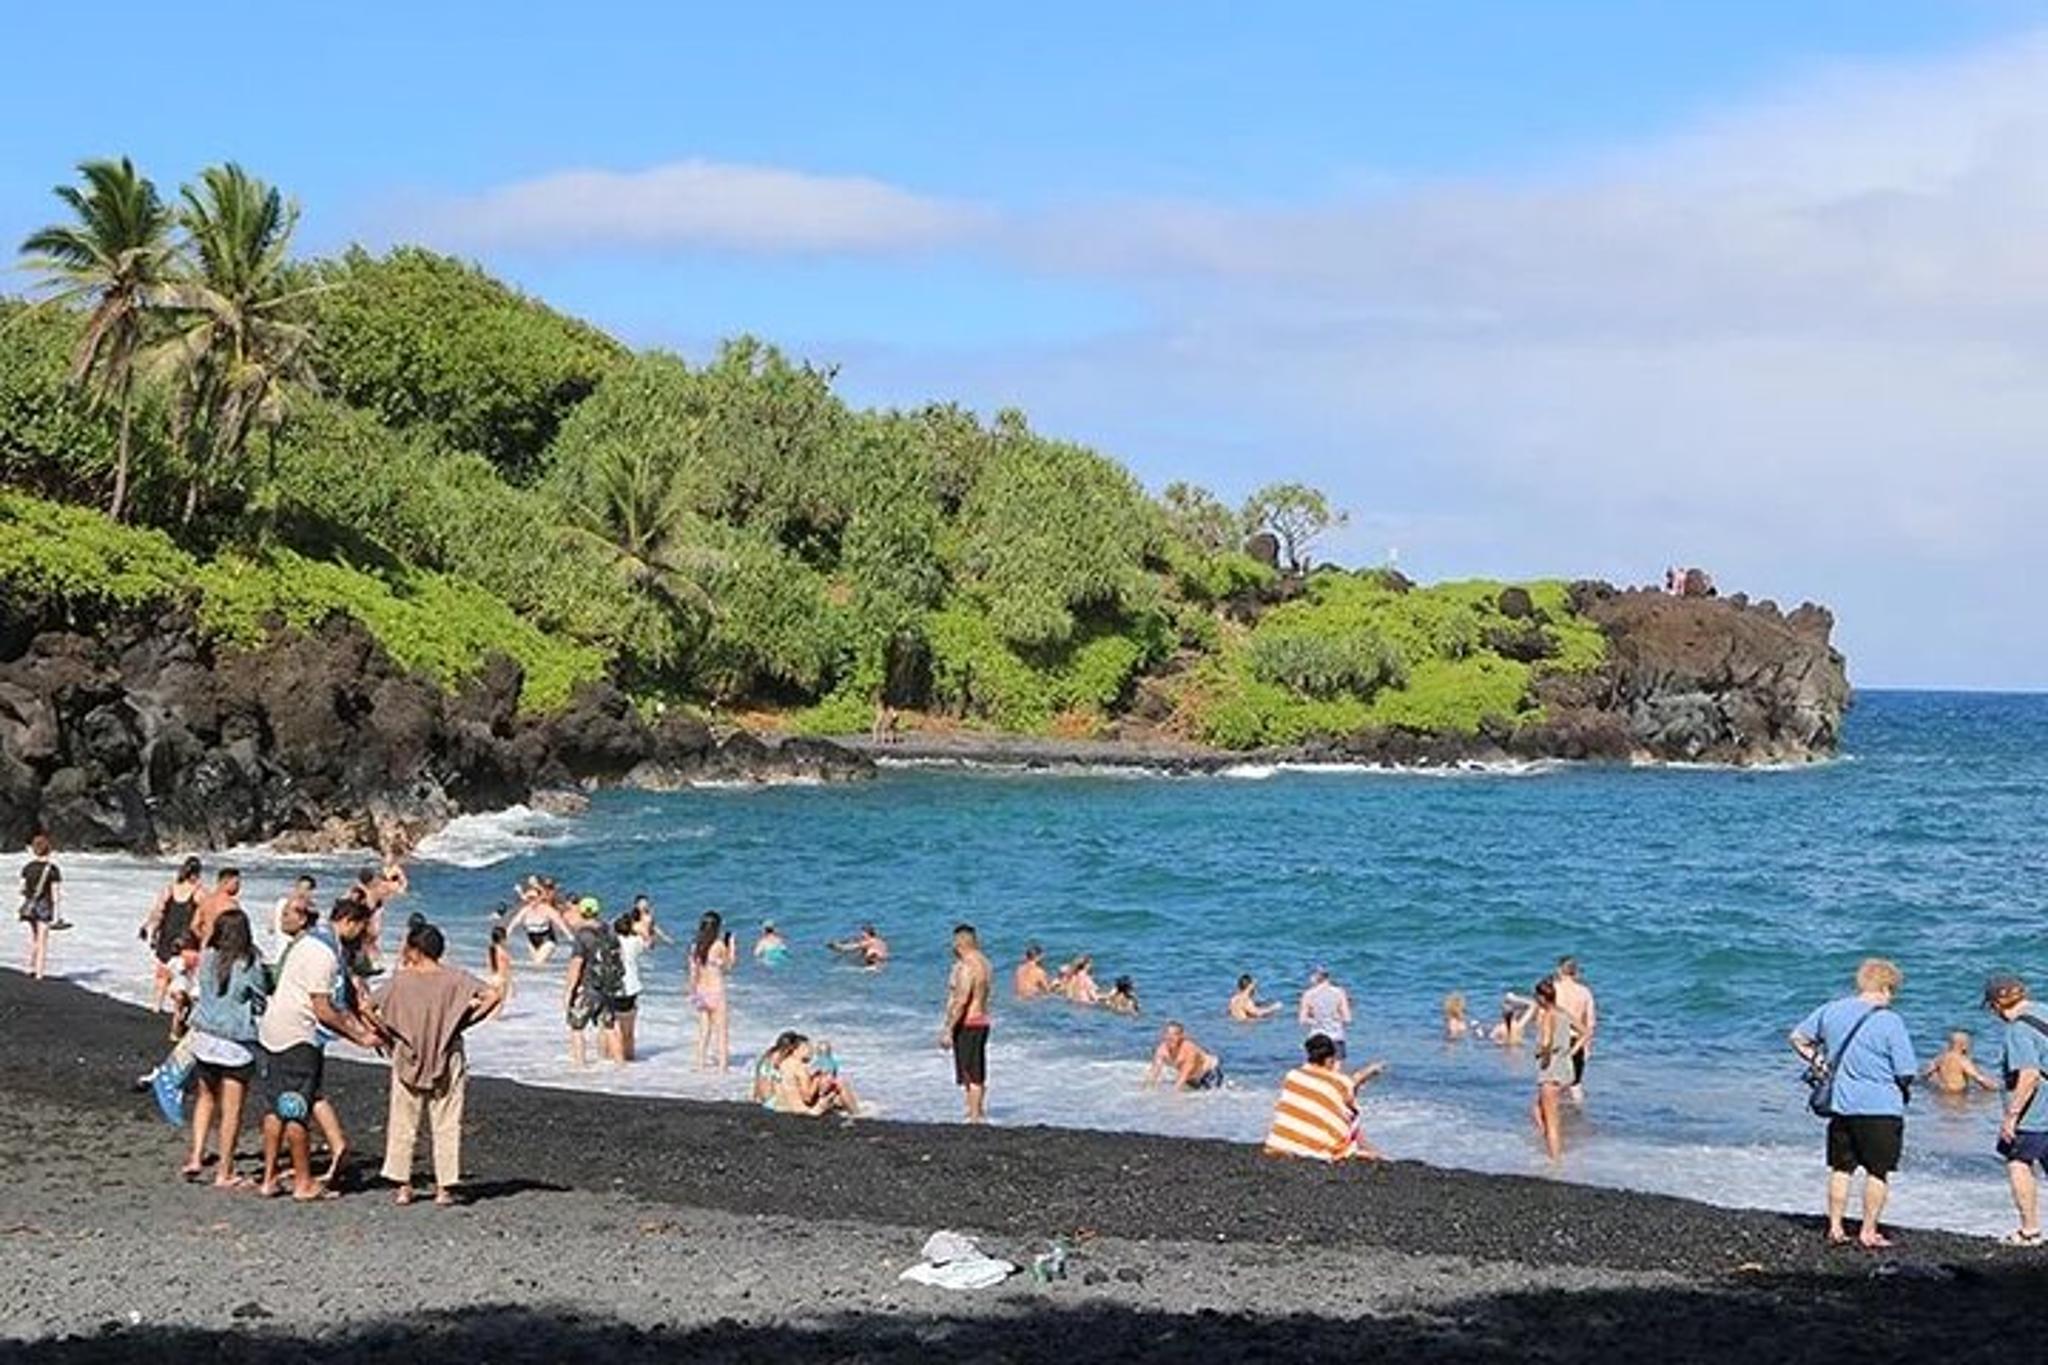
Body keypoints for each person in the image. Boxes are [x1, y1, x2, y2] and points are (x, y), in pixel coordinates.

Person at [256, 898, 383, 1201]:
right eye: (362, 929)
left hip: (274, 1029)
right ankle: (304, 1183)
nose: (364, 937)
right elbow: (324, 1010)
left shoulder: (314, 940)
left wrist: (366, 1027)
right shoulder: (323, 953)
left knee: (275, 1108)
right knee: (295, 1108)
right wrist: (360, 1039)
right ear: (349, 922)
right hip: (297, 1035)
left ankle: (269, 1178)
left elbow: (345, 999)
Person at [1788, 958, 1918, 1248]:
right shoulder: (1890, 1020)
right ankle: (1868, 1231)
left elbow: (1797, 1037)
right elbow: (1906, 1070)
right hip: (1880, 1107)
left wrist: (1820, 1063)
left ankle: (1835, 1227)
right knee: (1877, 1171)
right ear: (1886, 987)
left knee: (1841, 1168)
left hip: (1842, 1103)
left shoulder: (1831, 1009)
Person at [371, 921, 500, 1206]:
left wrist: (388, 1032)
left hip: (408, 1051)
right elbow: (493, 995)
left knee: (403, 1120)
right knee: (447, 1121)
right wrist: (464, 1023)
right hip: (447, 1050)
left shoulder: (401, 980)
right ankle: (444, 1188)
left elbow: (368, 1006)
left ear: (415, 950)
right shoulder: (456, 978)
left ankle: (403, 1186)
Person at [183, 908, 267, 1186]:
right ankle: (225, 1171)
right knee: (232, 1111)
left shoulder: (208, 957)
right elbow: (259, 998)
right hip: (235, 1043)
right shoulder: (249, 962)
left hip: (205, 1037)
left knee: (205, 1098)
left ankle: (196, 1156)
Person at [1984, 974, 2048, 1245]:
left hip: (2036, 1111)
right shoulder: (2044, 1010)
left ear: (1996, 1004)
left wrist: (2011, 1116)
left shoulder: (2018, 1029)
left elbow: (2029, 1075)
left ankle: (2030, 1230)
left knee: (2019, 1162)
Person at [1262, 1034, 1386, 1162]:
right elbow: (1350, 1087)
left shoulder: (1292, 1075)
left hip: (1280, 1141)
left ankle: (1370, 1152)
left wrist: (1367, 1073)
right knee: (1350, 1115)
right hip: (1317, 1149)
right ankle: (1369, 1152)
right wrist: (1371, 1071)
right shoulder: (1340, 1082)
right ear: (1329, 1060)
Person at [939, 923, 993, 1122]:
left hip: (968, 1022)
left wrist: (948, 1028)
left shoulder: (967, 966)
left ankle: (974, 1116)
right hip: (982, 1020)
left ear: (959, 943)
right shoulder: (985, 963)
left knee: (970, 1073)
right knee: (977, 1068)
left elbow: (962, 999)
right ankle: (976, 1111)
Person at [563, 898, 625, 1067]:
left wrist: (569, 990)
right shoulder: (609, 931)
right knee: (610, 1026)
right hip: (608, 986)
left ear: (581, 912)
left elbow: (576, 964)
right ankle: (621, 1066)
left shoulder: (582, 935)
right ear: (597, 912)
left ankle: (580, 1065)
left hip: (589, 986)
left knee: (577, 1027)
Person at [142, 856, 202, 1009]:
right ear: (196, 874)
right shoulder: (199, 892)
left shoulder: (169, 889)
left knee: (163, 973)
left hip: (167, 935)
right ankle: (178, 1011)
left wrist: (149, 929)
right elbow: (206, 916)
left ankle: (156, 1006)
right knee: (184, 976)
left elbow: (158, 912)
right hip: (187, 938)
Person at [1530, 978, 1580, 1161]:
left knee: (1551, 1121)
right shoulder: (1563, 1013)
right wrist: (1570, 1052)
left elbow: (1546, 1043)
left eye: (1536, 996)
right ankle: (1553, 1147)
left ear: (1542, 997)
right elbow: (1585, 1032)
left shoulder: (1548, 1015)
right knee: (1537, 1110)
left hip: (1551, 1069)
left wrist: (1539, 1053)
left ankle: (1555, 1160)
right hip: (1565, 1068)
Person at [690, 910, 735, 1071]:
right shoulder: (718, 945)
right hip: (716, 990)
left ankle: (699, 1063)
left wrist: (692, 991)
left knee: (704, 1030)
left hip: (701, 990)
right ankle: (722, 1067)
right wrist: (732, 946)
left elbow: (693, 972)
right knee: (721, 1031)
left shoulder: (696, 946)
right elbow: (729, 966)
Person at [1552, 956, 1598, 1099]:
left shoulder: (1553, 989)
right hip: (1577, 1040)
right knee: (1576, 1084)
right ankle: (1579, 1110)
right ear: (1576, 972)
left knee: (1554, 1084)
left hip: (1557, 1039)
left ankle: (1555, 1110)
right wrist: (1587, 1047)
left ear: (1559, 970)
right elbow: (1591, 1023)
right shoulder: (1585, 992)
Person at [18, 833, 62, 981]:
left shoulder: (27, 868)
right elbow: (55, 894)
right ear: (49, 850)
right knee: (42, 941)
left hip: (30, 905)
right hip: (44, 906)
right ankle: (39, 973)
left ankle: (30, 967)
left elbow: (22, 889)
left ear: (33, 850)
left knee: (34, 937)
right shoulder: (53, 869)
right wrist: (58, 915)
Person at [614, 906, 655, 1061]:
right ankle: (629, 1058)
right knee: (629, 1030)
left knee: (612, 1027)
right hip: (631, 986)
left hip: (612, 986)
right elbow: (650, 944)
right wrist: (643, 930)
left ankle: (613, 1058)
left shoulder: (610, 942)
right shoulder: (635, 942)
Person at [1146, 1022, 1223, 1091]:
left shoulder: (1189, 1049)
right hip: (1192, 1077)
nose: (1170, 1037)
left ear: (1182, 1036)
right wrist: (1149, 1088)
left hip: (1209, 1072)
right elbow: (1155, 1071)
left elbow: (1185, 1073)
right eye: (1168, 1033)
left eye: (1175, 1034)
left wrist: (1172, 1094)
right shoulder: (1161, 1049)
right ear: (1164, 1035)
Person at [1298, 967, 1351, 1060]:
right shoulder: (1339, 992)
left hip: (1317, 1039)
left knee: (1315, 1067)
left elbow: (1302, 1020)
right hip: (1336, 1037)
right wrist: (1334, 1019)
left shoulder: (1308, 994)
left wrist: (1317, 1021)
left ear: (1314, 978)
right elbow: (1347, 1019)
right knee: (1336, 1067)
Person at [1921, 1030, 1997, 1096]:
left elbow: (1926, 1073)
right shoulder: (1962, 1060)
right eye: (1969, 1045)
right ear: (1964, 1047)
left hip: (1941, 1093)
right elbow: (1978, 1078)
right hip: (1957, 1095)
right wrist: (1994, 1088)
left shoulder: (1940, 1058)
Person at [516, 879, 565, 964]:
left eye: (550, 887)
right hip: (536, 933)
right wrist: (520, 891)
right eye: (547, 887)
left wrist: (535, 885)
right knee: (537, 962)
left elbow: (545, 897)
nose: (548, 890)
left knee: (538, 961)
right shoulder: (545, 897)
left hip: (546, 933)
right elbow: (527, 899)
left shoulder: (550, 897)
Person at [192, 866, 242, 947]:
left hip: (206, 945)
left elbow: (194, 926)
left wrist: (204, 938)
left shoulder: (205, 901)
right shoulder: (231, 905)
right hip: (224, 946)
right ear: (225, 883)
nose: (239, 887)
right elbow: (238, 931)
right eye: (236, 883)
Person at [269, 875, 317, 954]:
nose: (302, 892)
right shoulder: (281, 903)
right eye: (299, 887)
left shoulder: (312, 912)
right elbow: (270, 929)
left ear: (311, 892)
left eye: (306, 889)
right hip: (280, 952)